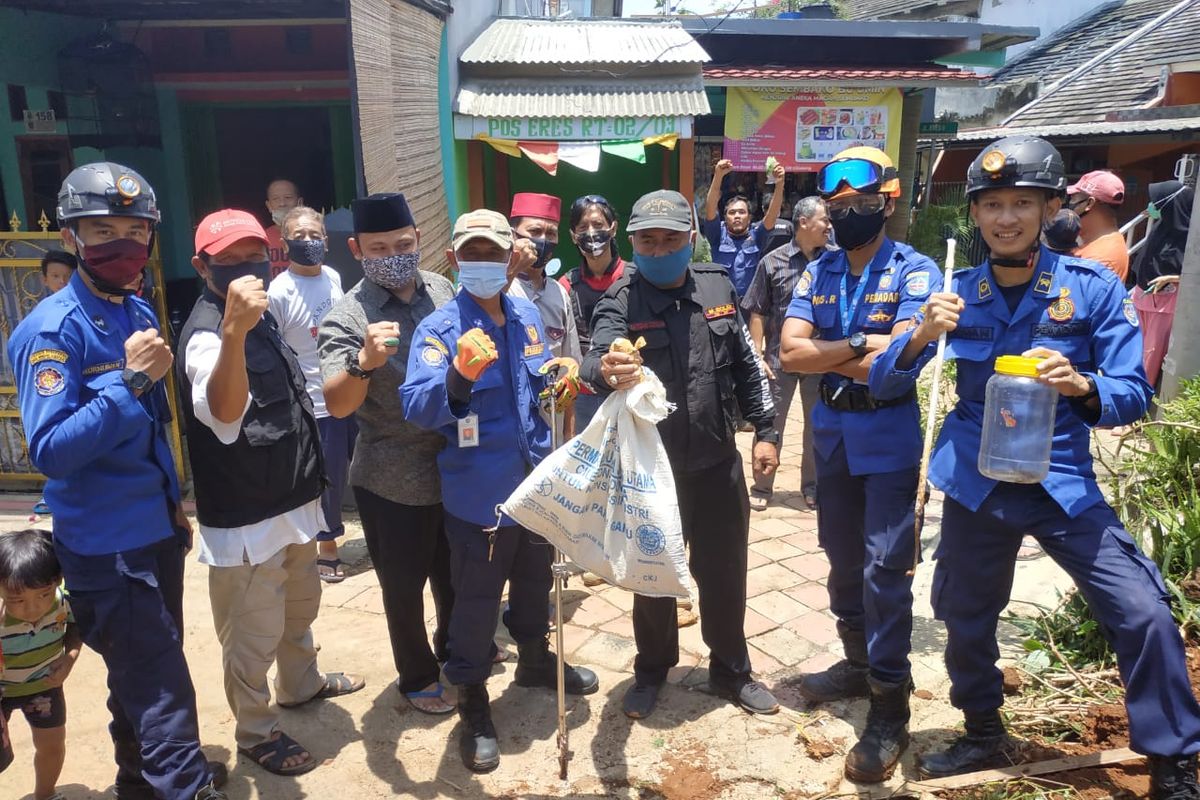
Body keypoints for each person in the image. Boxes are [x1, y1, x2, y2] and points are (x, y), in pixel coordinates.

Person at [869, 136, 1200, 797]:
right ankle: (983, 731)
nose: (1006, 217)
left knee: (1141, 610)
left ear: (1050, 208)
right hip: (975, 480)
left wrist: (1080, 384)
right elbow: (882, 381)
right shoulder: (954, 290)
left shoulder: (1093, 289)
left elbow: (1132, 393)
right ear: (975, 215)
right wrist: (921, 333)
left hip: (1062, 484)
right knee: (964, 613)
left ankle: (1173, 758)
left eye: (1022, 202)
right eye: (991, 204)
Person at [8, 162, 226, 800]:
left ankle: (138, 778)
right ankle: (184, 790)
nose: (122, 242)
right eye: (102, 229)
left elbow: (150, 433)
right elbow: (51, 450)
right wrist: (126, 383)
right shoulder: (52, 330)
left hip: (153, 532)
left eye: (136, 228)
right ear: (73, 237)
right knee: (162, 685)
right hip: (107, 546)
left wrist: (173, 511)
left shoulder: (132, 307)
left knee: (138, 673)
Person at [401, 209, 597, 773]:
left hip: (534, 487)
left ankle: (535, 660)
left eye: (494, 252)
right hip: (478, 497)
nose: (484, 262)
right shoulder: (440, 328)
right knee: (476, 605)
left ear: (511, 256)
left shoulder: (525, 312)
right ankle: (474, 703)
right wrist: (458, 376)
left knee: (537, 586)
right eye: (473, 253)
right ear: (454, 259)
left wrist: (559, 381)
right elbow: (418, 407)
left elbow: (537, 392)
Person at [581, 189, 782, 721]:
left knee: (724, 571)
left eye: (671, 239)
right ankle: (652, 669)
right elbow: (595, 354)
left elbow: (746, 363)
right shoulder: (621, 297)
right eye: (648, 239)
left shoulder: (717, 285)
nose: (659, 248)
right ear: (635, 243)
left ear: (690, 241)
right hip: (653, 471)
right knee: (652, 574)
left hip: (718, 463)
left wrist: (766, 431)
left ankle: (731, 669)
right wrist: (604, 368)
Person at [178, 209, 364, 778]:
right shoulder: (209, 334)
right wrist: (232, 330)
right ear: (201, 266)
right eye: (227, 259)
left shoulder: (264, 320)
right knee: (252, 636)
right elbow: (226, 412)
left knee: (297, 611)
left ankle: (301, 685)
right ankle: (256, 730)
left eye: (252, 254)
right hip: (247, 523)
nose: (243, 268)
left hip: (291, 504)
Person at [778, 147, 938, 783]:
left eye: (861, 205)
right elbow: (789, 355)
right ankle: (855, 661)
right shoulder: (820, 272)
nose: (848, 215)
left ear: (888, 203)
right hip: (833, 432)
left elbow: (893, 369)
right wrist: (856, 345)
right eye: (838, 206)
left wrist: (836, 353)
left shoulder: (915, 272)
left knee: (885, 567)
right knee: (841, 556)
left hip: (890, 435)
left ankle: (889, 705)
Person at [317, 192, 458, 714]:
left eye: (403, 244)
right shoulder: (348, 316)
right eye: (379, 247)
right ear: (357, 249)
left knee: (455, 574)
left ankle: (455, 647)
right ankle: (418, 674)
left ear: (418, 239)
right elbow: (337, 404)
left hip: (454, 465)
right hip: (391, 477)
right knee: (404, 588)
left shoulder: (441, 288)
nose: (394, 255)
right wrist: (364, 362)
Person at [267, 206, 353, 583]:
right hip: (313, 404)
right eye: (298, 236)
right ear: (284, 243)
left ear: (326, 240)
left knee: (355, 468)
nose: (307, 242)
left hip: (348, 391)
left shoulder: (333, 278)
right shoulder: (279, 292)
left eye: (314, 235)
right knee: (327, 477)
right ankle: (327, 546)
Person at [742, 195, 831, 512]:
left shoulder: (834, 261)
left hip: (820, 359)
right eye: (824, 220)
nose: (829, 226)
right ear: (804, 222)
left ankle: (812, 488)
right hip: (777, 361)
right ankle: (762, 487)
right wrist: (757, 354)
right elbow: (757, 312)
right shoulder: (773, 261)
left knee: (818, 428)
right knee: (770, 425)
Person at [0, 529, 81, 800]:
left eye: (43, 595)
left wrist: (70, 657)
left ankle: (45, 795)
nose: (33, 608)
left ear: (57, 580)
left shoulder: (64, 601)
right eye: (17, 600)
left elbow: (75, 628)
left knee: (52, 746)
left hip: (43, 687)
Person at [507, 192, 583, 440]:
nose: (543, 240)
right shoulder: (495, 287)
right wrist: (511, 269)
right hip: (507, 431)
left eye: (551, 234)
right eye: (535, 231)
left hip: (550, 432)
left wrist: (569, 438)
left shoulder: (559, 293)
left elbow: (571, 372)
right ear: (513, 234)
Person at [559, 195, 631, 430]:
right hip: (585, 397)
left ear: (613, 228)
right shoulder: (566, 286)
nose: (591, 232)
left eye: (598, 225)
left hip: (629, 391)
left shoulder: (635, 278)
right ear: (573, 236)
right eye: (583, 227)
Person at [1131, 180, 1193, 389]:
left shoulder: (1190, 238)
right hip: (1142, 297)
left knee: (1149, 357)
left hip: (1164, 305)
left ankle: (1135, 406)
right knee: (1132, 350)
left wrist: (1174, 278)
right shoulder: (1163, 227)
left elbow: (1194, 273)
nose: (1152, 206)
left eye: (1156, 203)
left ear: (1170, 206)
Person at [703, 158, 787, 297]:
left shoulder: (757, 236)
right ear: (725, 218)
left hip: (750, 305)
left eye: (742, 212)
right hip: (722, 303)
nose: (737, 216)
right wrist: (718, 176)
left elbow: (771, 216)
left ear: (749, 218)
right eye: (732, 212)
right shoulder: (717, 236)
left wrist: (779, 185)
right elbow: (711, 207)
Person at [1068, 170, 1130, 282]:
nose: (1069, 203)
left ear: (1089, 203)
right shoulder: (1096, 241)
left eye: (1073, 198)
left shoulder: (1100, 259)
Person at [264, 179, 302, 279]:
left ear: (300, 202)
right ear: (269, 206)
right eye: (275, 199)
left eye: (288, 197)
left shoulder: (311, 236)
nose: (282, 203)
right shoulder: (262, 238)